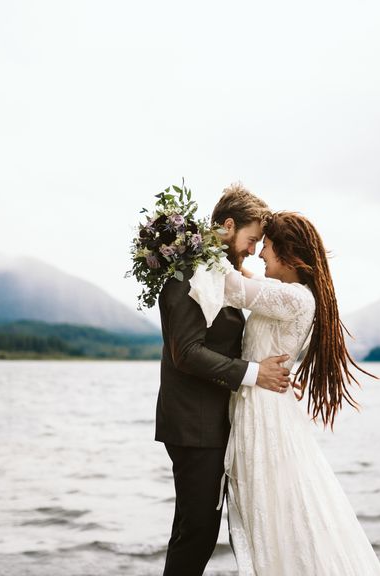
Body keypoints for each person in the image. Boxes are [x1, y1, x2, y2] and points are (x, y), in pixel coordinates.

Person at [219, 211, 380, 575]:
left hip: (264, 413)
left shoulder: (294, 299)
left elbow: (230, 286)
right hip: (262, 407)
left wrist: (193, 246)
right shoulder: (292, 295)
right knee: (275, 509)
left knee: (277, 511)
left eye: (267, 246)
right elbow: (246, 282)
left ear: (288, 252)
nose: (260, 253)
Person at [155, 183, 293, 576]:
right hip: (192, 424)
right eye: (251, 239)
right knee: (196, 532)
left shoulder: (216, 275)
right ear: (228, 226)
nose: (253, 249)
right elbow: (187, 352)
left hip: (207, 423)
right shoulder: (188, 275)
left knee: (197, 529)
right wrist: (254, 374)